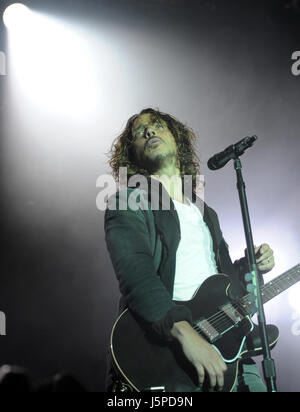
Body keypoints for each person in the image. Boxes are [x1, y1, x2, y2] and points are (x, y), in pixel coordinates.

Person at [104, 108, 275, 392]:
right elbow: (136, 274)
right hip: (171, 353)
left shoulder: (206, 213)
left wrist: (251, 267)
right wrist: (186, 335)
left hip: (232, 348)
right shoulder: (128, 201)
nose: (149, 132)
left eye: (158, 126)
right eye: (139, 132)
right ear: (131, 154)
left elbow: (227, 285)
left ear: (176, 139)